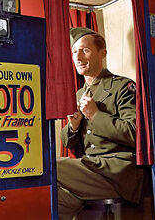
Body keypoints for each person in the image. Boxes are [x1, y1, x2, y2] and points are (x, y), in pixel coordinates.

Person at [56, 27, 143, 220]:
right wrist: (74, 127)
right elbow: (67, 142)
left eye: (84, 51)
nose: (77, 57)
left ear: (102, 53)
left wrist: (95, 116)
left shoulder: (122, 86)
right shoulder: (80, 93)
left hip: (115, 173)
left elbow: (135, 133)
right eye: (74, 52)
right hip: (91, 169)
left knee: (48, 167)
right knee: (49, 201)